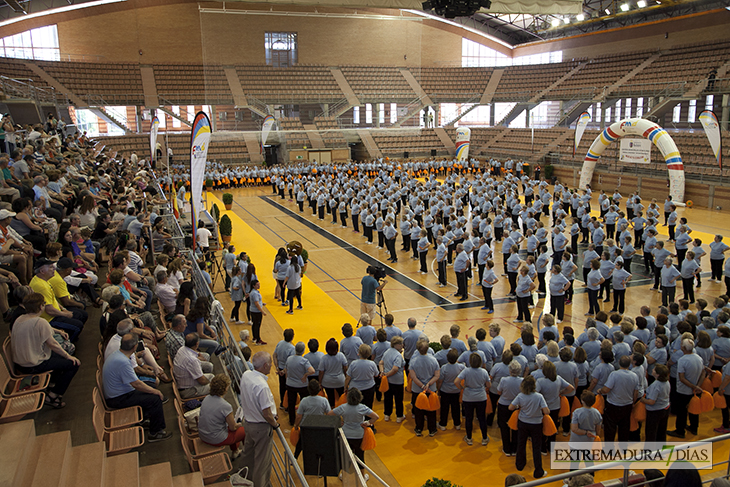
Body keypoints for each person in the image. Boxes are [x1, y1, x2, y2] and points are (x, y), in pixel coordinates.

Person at [11, 292, 80, 409]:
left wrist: (57, 331)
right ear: (40, 307)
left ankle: (52, 383)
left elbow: (44, 329)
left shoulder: (19, 319)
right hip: (33, 363)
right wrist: (69, 356)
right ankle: (54, 396)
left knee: (59, 359)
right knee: (73, 364)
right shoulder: (40, 322)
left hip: (20, 362)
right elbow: (53, 344)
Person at [103, 334, 171, 442]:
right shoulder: (123, 362)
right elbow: (137, 384)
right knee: (155, 399)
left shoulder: (118, 355)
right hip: (118, 398)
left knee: (151, 386)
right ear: (134, 347)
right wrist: (156, 391)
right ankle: (156, 432)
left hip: (119, 392)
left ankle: (144, 418)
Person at [239, 351, 279, 487]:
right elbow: (267, 413)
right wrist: (275, 424)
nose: (272, 366)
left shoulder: (246, 375)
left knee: (248, 455)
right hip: (261, 427)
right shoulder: (262, 386)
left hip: (248, 422)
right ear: (265, 365)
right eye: (270, 364)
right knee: (262, 461)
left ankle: (244, 479)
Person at [328, 388, 378, 482]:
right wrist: (368, 423)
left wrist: (340, 422)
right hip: (359, 435)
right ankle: (362, 477)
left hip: (345, 435)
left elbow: (330, 413)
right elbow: (376, 417)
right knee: (360, 456)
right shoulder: (362, 407)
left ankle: (343, 475)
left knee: (345, 455)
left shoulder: (343, 407)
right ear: (359, 397)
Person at [509, 375, 549, 479]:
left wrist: (519, 407)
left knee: (521, 444)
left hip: (523, 423)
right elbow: (546, 411)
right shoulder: (539, 396)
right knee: (536, 447)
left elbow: (510, 407)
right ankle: (538, 470)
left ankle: (520, 464)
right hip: (536, 424)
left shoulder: (520, 396)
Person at [198, 374, 246, 458]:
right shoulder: (225, 406)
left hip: (203, 434)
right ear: (224, 389)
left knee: (232, 428)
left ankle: (236, 451)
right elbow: (233, 428)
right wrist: (239, 424)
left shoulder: (206, 398)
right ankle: (246, 454)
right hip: (215, 438)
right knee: (244, 431)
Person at [667, 339, 705, 438]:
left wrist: (694, 386)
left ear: (683, 348)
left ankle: (680, 431)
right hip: (694, 390)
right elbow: (703, 373)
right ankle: (694, 427)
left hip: (683, 390)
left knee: (681, 411)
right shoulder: (699, 358)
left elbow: (682, 378)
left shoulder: (682, 360)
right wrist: (697, 386)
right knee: (694, 409)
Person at [600, 355, 640, 442]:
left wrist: (600, 390)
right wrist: (633, 402)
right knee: (624, 427)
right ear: (629, 364)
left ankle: (609, 449)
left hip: (613, 404)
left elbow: (606, 389)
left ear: (619, 363)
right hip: (627, 404)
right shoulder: (634, 376)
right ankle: (623, 448)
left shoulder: (614, 374)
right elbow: (636, 392)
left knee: (610, 427)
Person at [456, 352, 491, 446]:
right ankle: (484, 438)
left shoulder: (466, 371)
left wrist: (462, 388)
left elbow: (456, 381)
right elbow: (489, 385)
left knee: (469, 418)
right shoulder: (484, 372)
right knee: (482, 418)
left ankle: (469, 438)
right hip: (481, 397)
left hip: (468, 398)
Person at [293, 379, 331, 458]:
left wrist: (296, 426)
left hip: (306, 426)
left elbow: (299, 416)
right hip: (319, 427)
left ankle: (294, 459)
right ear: (318, 389)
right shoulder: (324, 400)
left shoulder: (304, 401)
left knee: (301, 443)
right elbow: (329, 414)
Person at [409, 340, 440, 437]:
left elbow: (413, 377)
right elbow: (437, 375)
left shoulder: (413, 361)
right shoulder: (433, 360)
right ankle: (432, 429)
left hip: (418, 389)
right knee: (431, 409)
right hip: (431, 389)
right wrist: (428, 384)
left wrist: (422, 386)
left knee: (418, 409)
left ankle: (419, 428)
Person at [569, 391, 602, 471]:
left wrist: (585, 432)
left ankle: (572, 480)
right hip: (589, 442)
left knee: (574, 463)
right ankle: (591, 479)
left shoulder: (577, 412)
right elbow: (598, 430)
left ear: (582, 401)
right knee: (589, 462)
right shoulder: (597, 413)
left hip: (576, 443)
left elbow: (574, 429)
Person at [174, 333, 214, 398]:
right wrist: (210, 384)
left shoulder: (182, 349)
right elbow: (202, 381)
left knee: (212, 376)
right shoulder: (192, 360)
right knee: (218, 388)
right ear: (197, 344)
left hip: (182, 382)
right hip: (188, 390)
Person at [285, 342, 315, 426]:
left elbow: (286, 370)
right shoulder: (304, 361)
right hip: (302, 385)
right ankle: (304, 419)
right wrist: (305, 375)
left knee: (291, 403)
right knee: (304, 402)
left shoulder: (289, 359)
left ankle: (292, 420)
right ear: (303, 351)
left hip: (290, 384)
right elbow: (312, 371)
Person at [641, 364, 671, 442]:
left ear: (658, 374)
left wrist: (642, 400)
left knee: (651, 432)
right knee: (661, 431)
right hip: (665, 408)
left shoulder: (656, 385)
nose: (652, 370)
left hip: (655, 411)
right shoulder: (666, 382)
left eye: (654, 369)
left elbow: (651, 401)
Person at [380, 336, 406, 422]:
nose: (402, 345)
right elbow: (395, 369)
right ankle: (399, 416)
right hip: (397, 381)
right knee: (398, 399)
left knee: (388, 398)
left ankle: (387, 414)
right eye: (401, 344)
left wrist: (383, 372)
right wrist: (387, 374)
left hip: (387, 381)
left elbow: (381, 363)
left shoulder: (387, 352)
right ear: (397, 345)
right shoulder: (398, 356)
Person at [346, 344, 379, 408]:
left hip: (355, 388)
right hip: (369, 387)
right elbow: (376, 374)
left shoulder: (353, 363)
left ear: (359, 353)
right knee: (368, 405)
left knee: (355, 406)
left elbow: (348, 377)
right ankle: (367, 417)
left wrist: (345, 387)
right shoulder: (372, 364)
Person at [318, 338, 348, 408]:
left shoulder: (324, 358)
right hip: (340, 381)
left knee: (330, 398)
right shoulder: (341, 355)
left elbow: (321, 372)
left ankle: (331, 410)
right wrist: (347, 379)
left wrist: (320, 382)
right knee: (342, 397)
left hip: (327, 382)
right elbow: (345, 368)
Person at [274, 328, 296, 410]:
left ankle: (282, 403)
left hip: (280, 368)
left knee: (282, 386)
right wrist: (284, 371)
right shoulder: (292, 348)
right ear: (292, 337)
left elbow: (274, 355)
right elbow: (290, 362)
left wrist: (277, 368)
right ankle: (287, 406)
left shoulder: (280, 343)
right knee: (288, 387)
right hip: (287, 370)